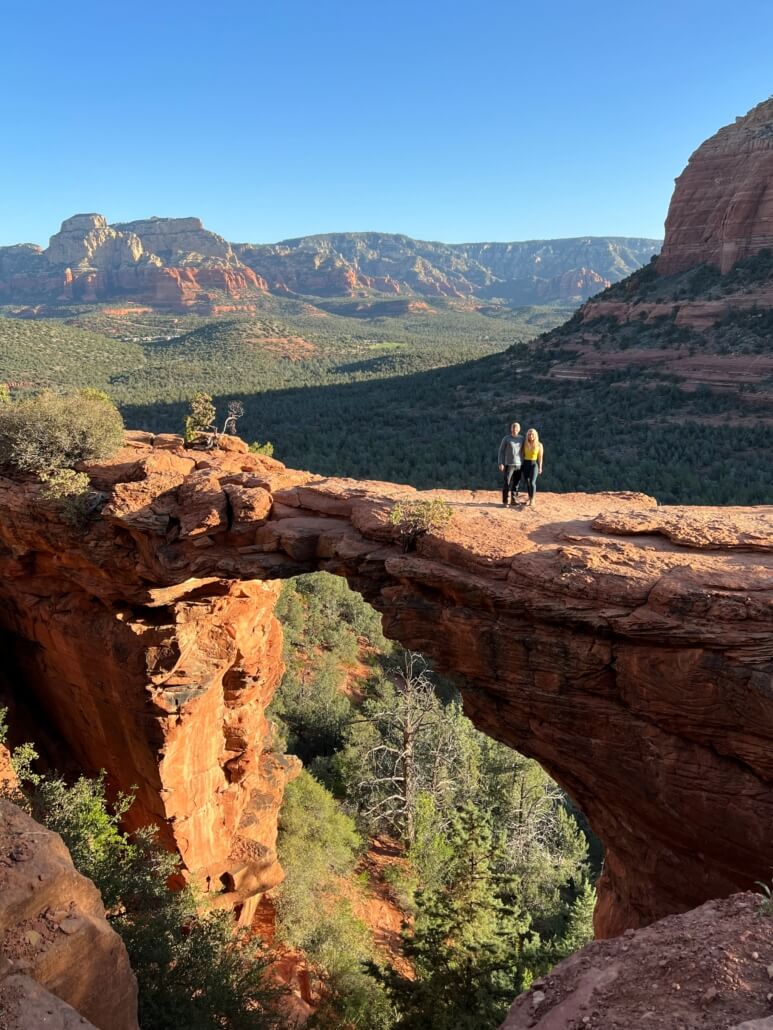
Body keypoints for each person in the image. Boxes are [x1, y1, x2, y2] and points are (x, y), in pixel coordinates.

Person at [497, 421, 523, 506]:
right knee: (507, 483)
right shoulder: (506, 438)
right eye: (513, 428)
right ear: (511, 429)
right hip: (509, 465)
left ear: (519, 429)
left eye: (516, 428)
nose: (514, 430)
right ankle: (505, 501)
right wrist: (501, 463)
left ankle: (514, 500)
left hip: (519, 465)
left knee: (516, 483)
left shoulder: (522, 438)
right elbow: (501, 451)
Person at [521, 428, 544, 507]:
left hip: (534, 464)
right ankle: (530, 498)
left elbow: (540, 457)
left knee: (532, 482)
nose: (531, 436)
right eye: (529, 434)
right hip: (525, 464)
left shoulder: (539, 445)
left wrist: (540, 467)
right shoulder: (524, 444)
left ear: (535, 435)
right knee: (527, 482)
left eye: (532, 434)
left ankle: (533, 500)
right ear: (527, 435)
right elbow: (522, 455)